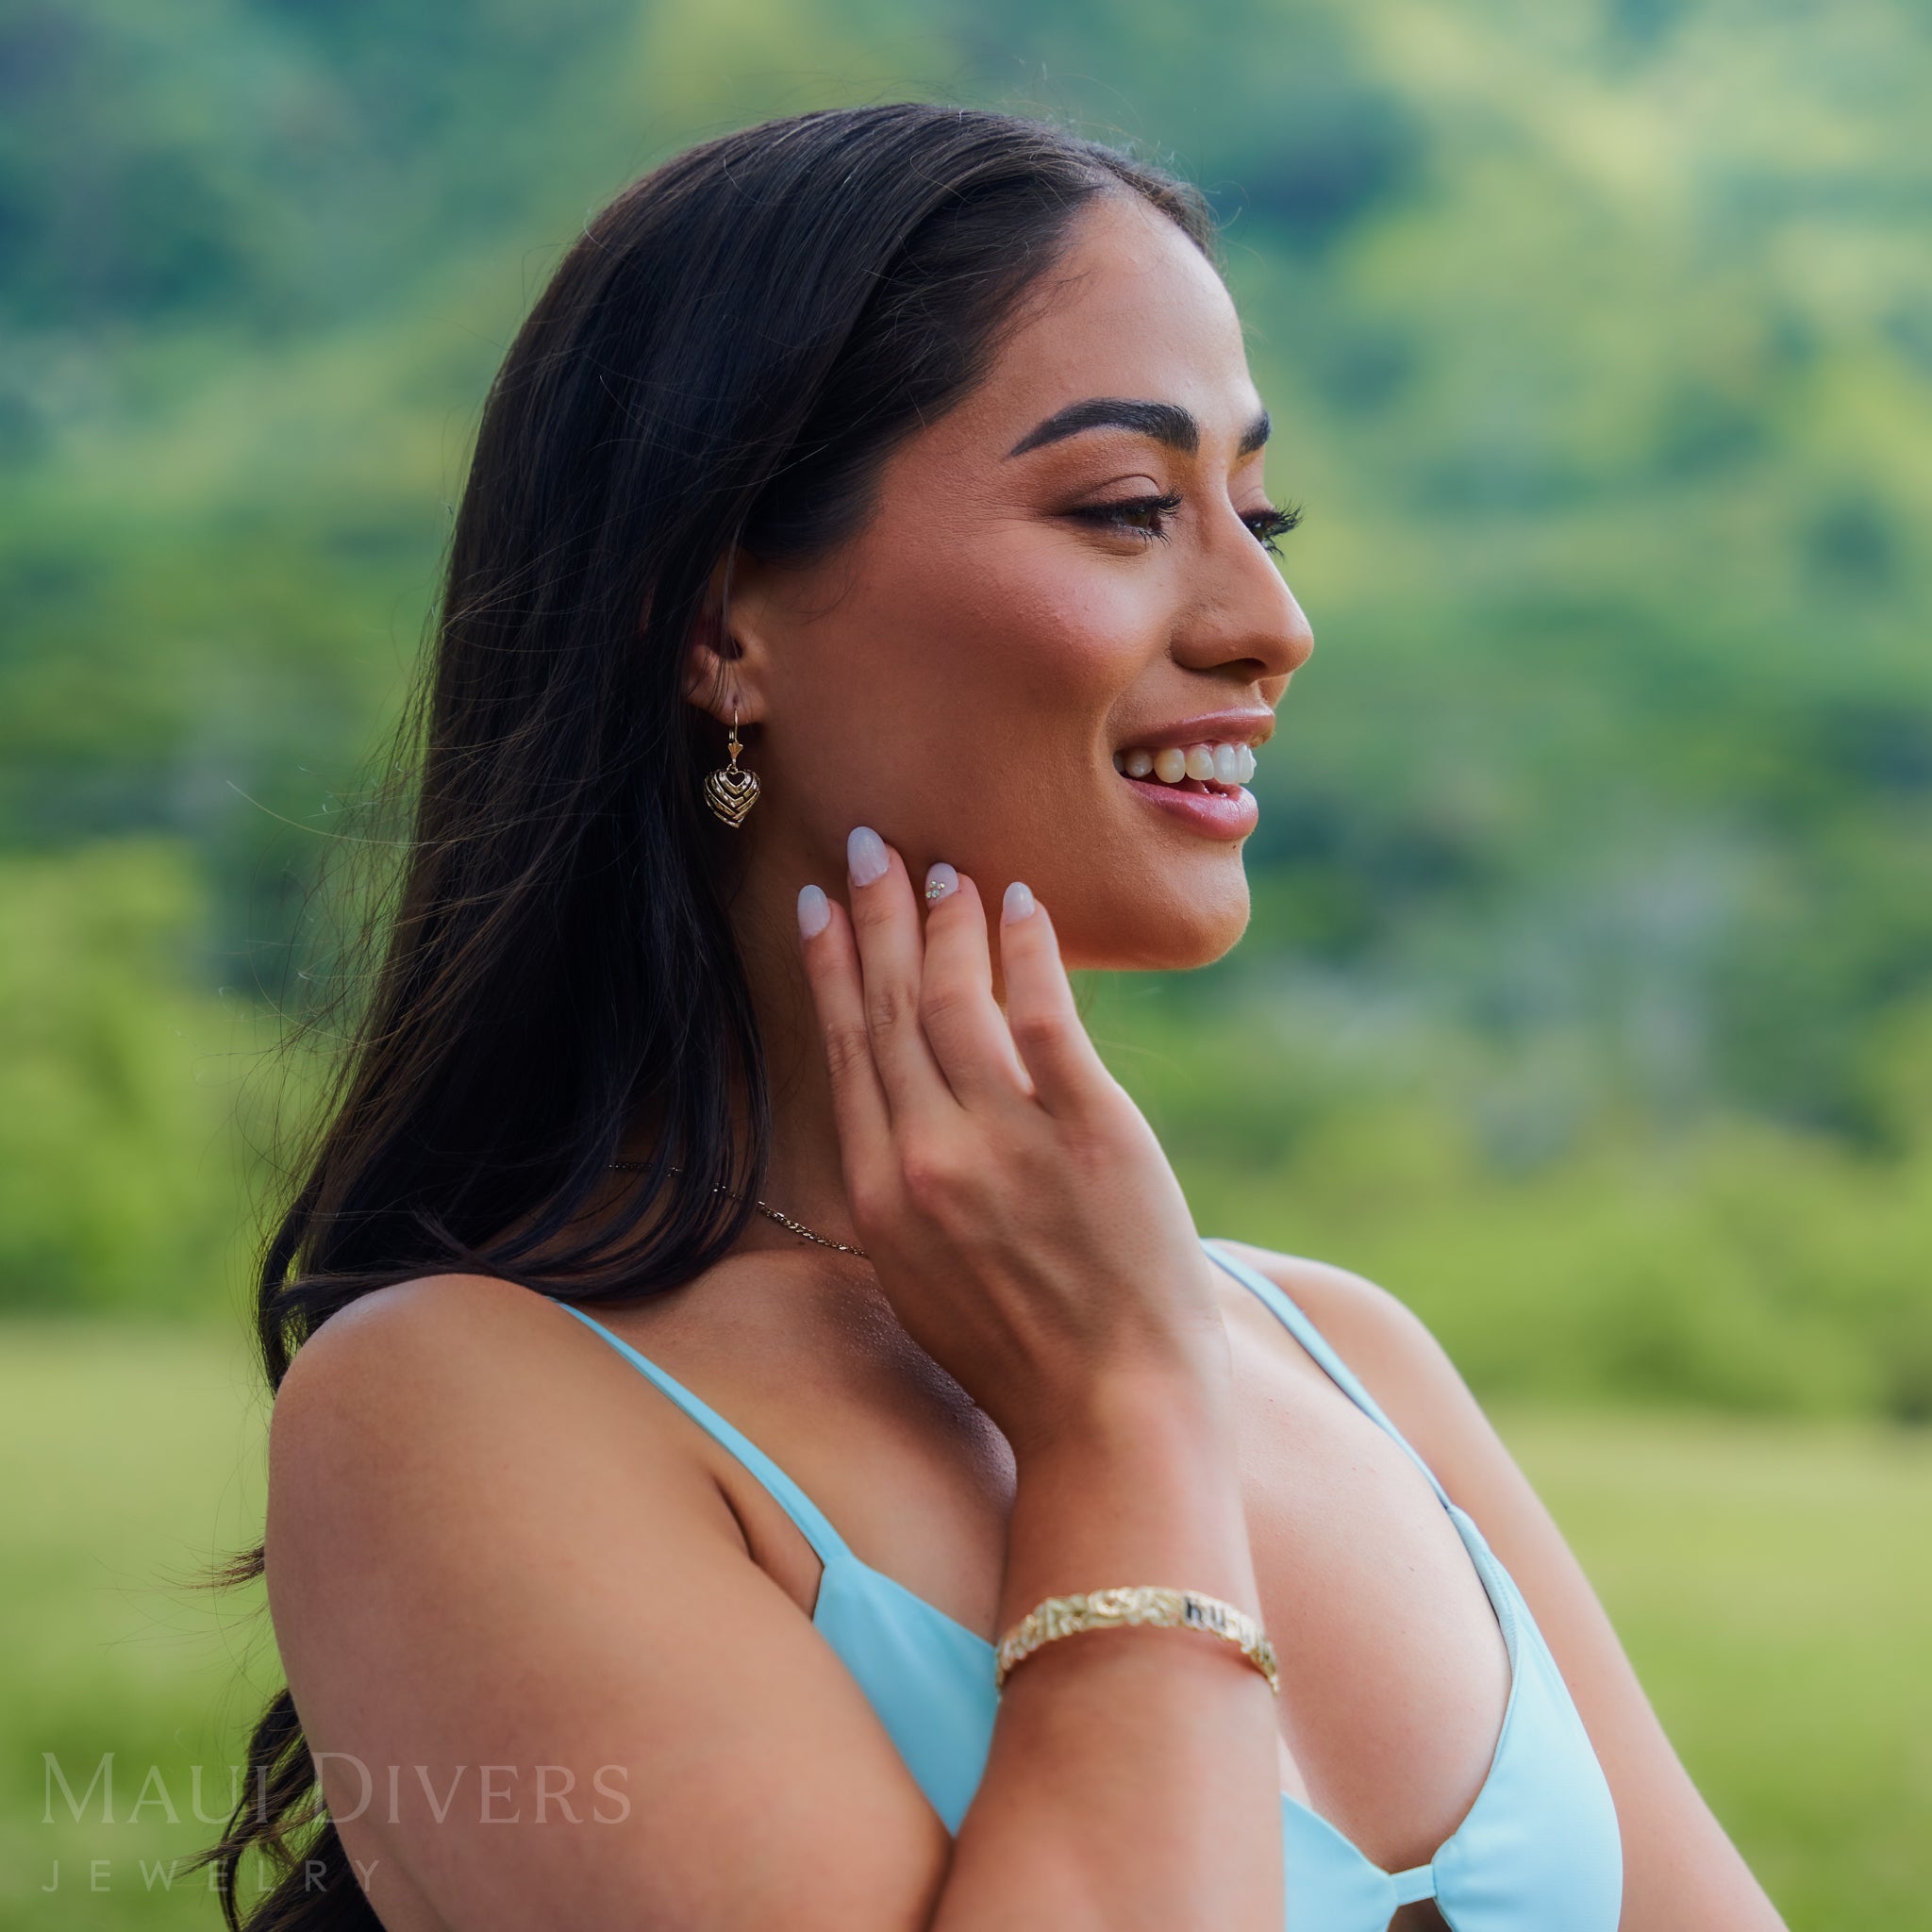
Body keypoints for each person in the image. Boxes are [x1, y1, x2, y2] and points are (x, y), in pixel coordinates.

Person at [205, 103, 1788, 1931]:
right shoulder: (459, 1415)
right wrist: (1119, 1427)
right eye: (1128, 510)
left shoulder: (1347, 1353)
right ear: (717, 625)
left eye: (1259, 513)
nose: (1271, 619)